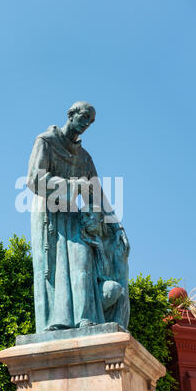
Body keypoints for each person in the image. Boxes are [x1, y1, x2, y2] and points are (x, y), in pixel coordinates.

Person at [27, 101, 129, 333]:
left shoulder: (84, 157)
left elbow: (98, 195)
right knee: (54, 267)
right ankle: (57, 322)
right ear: (70, 115)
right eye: (84, 117)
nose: (86, 124)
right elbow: (33, 180)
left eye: (90, 121)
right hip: (47, 215)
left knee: (83, 262)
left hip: (72, 215)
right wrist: (73, 185)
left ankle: (86, 319)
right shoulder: (46, 141)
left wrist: (116, 228)